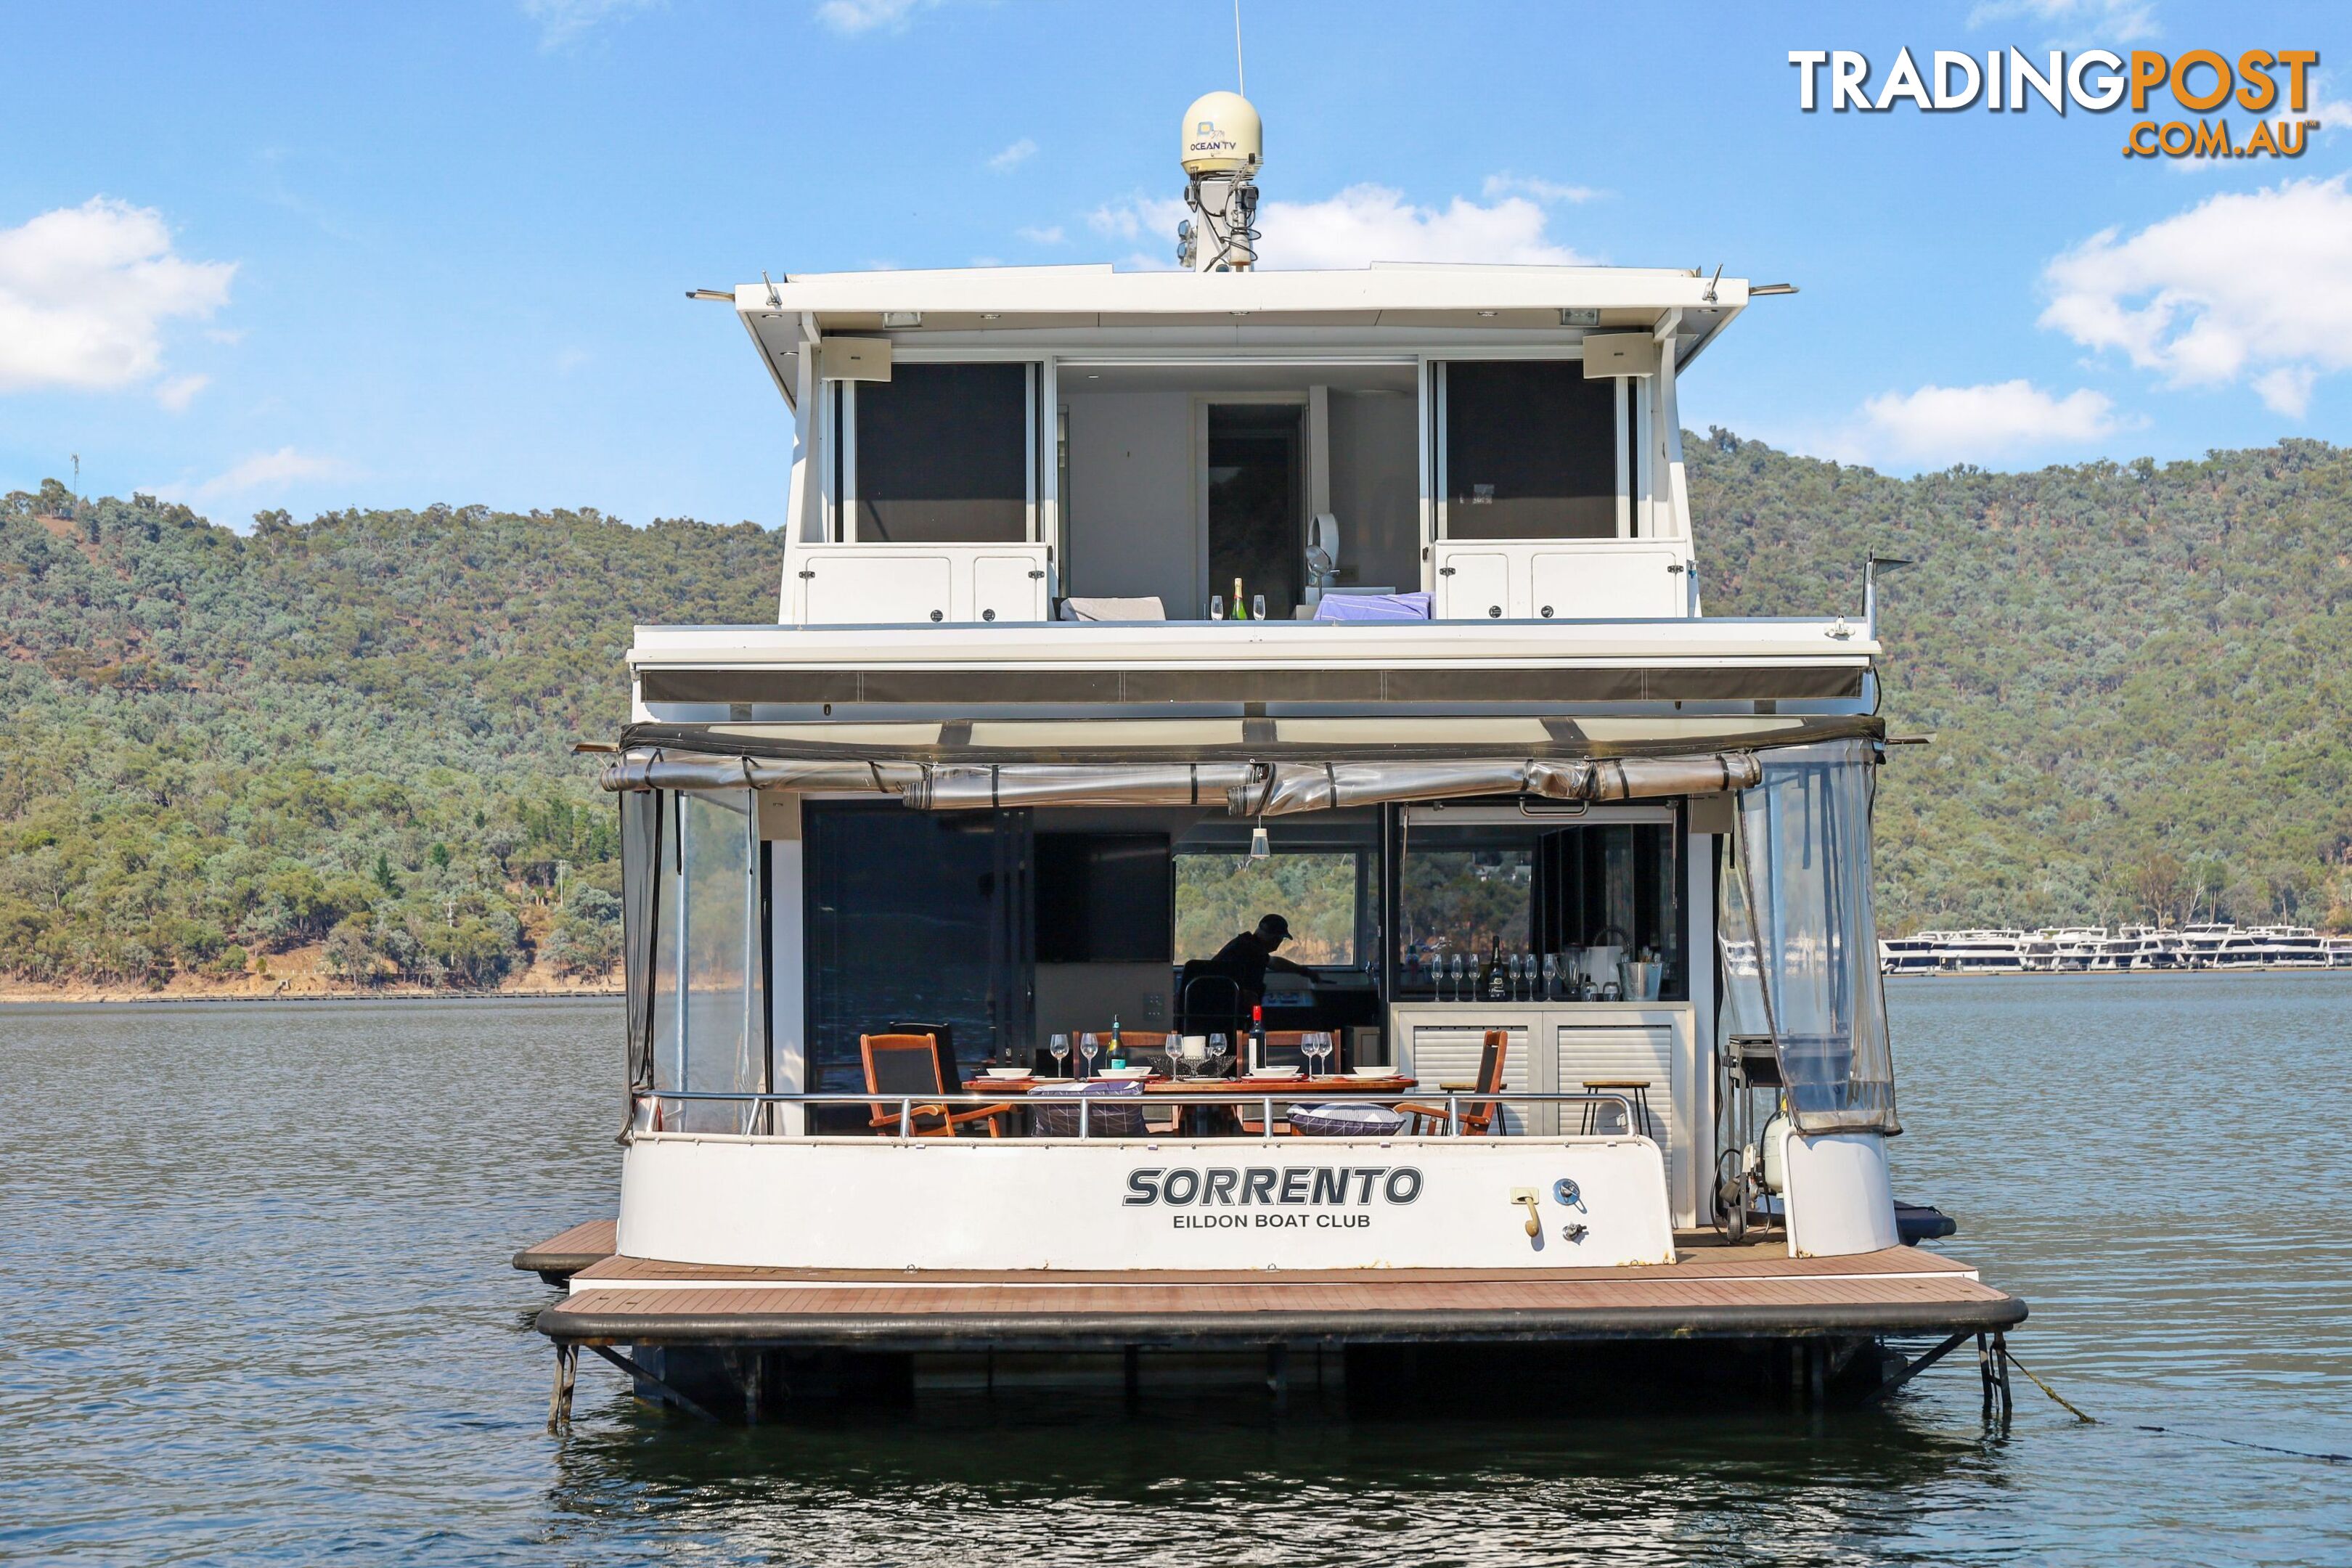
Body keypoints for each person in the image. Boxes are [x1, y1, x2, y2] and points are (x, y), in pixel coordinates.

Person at [1212, 913, 1312, 997]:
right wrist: (1258, 1019)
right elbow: (1250, 995)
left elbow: (1274, 962)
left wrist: (1303, 971)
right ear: (1275, 939)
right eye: (1280, 939)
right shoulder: (1253, 953)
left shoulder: (1245, 944)